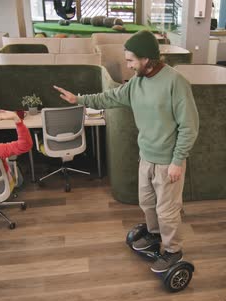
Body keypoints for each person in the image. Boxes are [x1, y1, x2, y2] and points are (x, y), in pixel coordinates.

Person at [53, 30, 199, 273]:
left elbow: (189, 126)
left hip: (168, 162)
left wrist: (178, 160)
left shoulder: (176, 82)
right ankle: (154, 236)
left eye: (131, 60)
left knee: (167, 211)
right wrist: (78, 99)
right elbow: (109, 98)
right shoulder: (137, 83)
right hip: (146, 156)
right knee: (147, 203)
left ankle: (173, 250)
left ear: (146, 59)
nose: (128, 65)